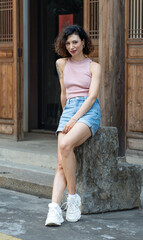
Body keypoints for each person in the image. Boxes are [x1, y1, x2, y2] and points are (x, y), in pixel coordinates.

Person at [45, 25, 101, 226]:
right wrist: (65, 117)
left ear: (83, 42)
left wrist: (74, 119)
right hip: (68, 110)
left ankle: (73, 199)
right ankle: (54, 209)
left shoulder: (94, 66)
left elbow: (92, 96)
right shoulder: (61, 63)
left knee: (66, 145)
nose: (71, 46)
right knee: (61, 160)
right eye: (67, 43)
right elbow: (64, 93)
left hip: (88, 111)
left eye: (75, 42)